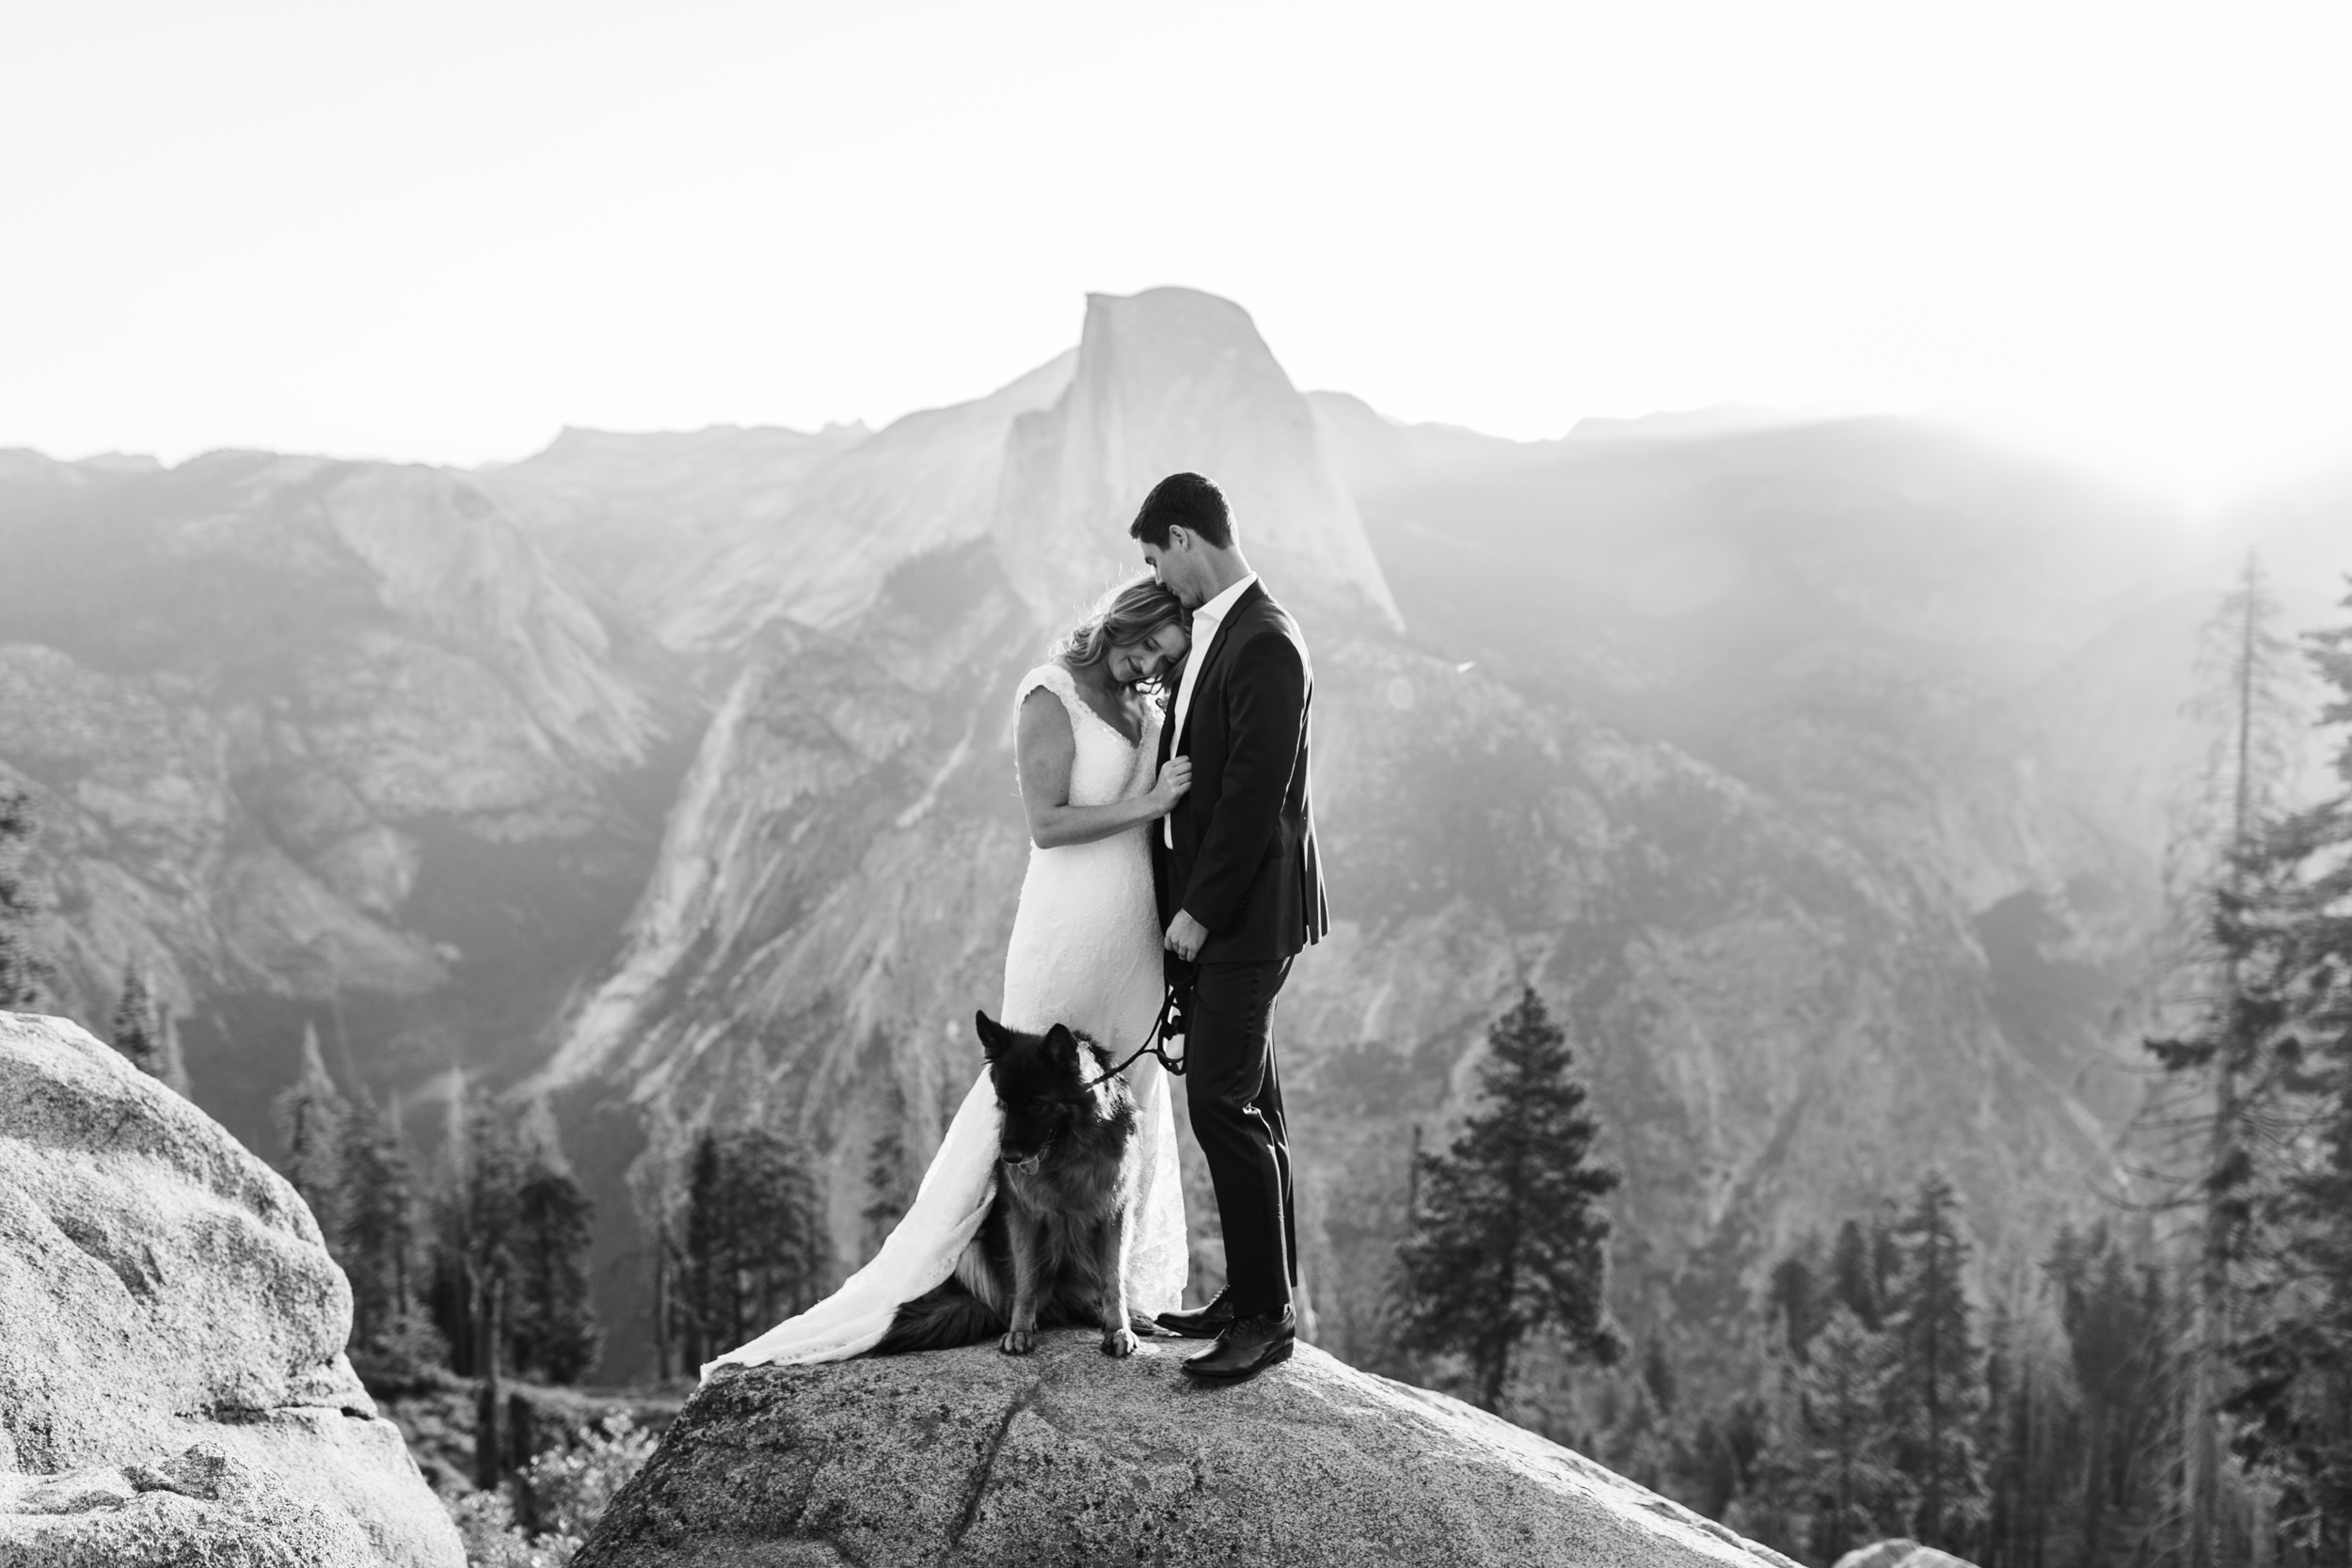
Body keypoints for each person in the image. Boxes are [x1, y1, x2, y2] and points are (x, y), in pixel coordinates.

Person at [700, 577, 1194, 1372]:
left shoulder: (1147, 709)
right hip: (1066, 928)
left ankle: (1110, 1291)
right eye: (1142, 645)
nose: (1145, 665)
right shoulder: (1051, 694)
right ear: (1118, 620)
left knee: (1126, 1110)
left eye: (1162, 659)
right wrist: (1154, 802)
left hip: (1131, 935)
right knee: (1031, 1092)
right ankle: (996, 1280)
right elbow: (1048, 821)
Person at [1132, 471, 1328, 1385]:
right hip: (1235, 915)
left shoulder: (1266, 642)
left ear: (1183, 537)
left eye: (1154, 559)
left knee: (1221, 1099)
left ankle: (1264, 1318)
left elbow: (1252, 801)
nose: (1157, 579)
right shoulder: (1228, 632)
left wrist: (1195, 914)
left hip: (1244, 918)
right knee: (1257, 1101)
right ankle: (1255, 1290)